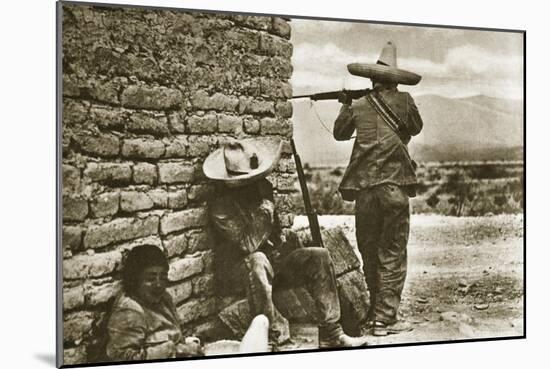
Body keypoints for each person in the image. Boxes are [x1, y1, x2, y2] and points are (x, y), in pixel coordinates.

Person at [203, 138, 369, 349]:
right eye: (249, 181)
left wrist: (283, 240)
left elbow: (276, 233)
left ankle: (331, 333)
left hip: (270, 263)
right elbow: (249, 245)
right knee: (258, 259)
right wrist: (265, 208)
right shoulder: (221, 208)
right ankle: (274, 339)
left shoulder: (260, 192)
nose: (255, 184)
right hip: (240, 272)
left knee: (318, 255)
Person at [333, 41, 424, 336]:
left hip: (365, 192)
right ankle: (384, 319)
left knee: (369, 251)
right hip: (394, 189)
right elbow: (415, 127)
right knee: (393, 253)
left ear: (373, 78)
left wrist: (347, 103)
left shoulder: (358, 105)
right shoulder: (406, 101)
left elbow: (339, 133)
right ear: (394, 80)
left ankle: (374, 312)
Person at [105, 245, 204, 361]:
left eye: (163, 277)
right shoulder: (129, 311)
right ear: (135, 280)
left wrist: (187, 344)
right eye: (150, 279)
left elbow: (172, 333)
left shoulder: (163, 299)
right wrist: (177, 350)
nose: (158, 284)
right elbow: (123, 359)